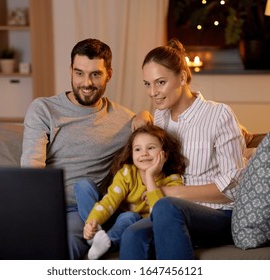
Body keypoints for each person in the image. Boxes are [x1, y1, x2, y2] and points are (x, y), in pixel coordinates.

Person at [20, 38, 152, 260]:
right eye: (79, 73)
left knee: (75, 240)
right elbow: (32, 166)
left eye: (95, 74)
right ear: (70, 70)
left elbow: (150, 145)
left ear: (109, 74)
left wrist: (145, 115)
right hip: (55, 205)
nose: (86, 83)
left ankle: (98, 236)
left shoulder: (124, 120)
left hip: (94, 205)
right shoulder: (44, 109)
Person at [119, 38, 246, 260]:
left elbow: (234, 187)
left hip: (219, 215)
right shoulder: (160, 117)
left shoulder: (219, 115)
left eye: (160, 82)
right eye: (147, 84)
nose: (152, 92)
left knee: (167, 208)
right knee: (132, 235)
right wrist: (143, 115)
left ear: (183, 77)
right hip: (169, 214)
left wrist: (171, 193)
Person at [74, 125, 186, 259]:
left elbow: (159, 214)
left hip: (130, 223)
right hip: (111, 216)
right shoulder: (127, 172)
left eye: (151, 148)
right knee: (82, 185)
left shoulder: (173, 180)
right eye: (138, 149)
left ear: (165, 154)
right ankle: (93, 233)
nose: (144, 153)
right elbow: (110, 201)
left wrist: (150, 176)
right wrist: (92, 222)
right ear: (132, 154)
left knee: (130, 216)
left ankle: (107, 242)